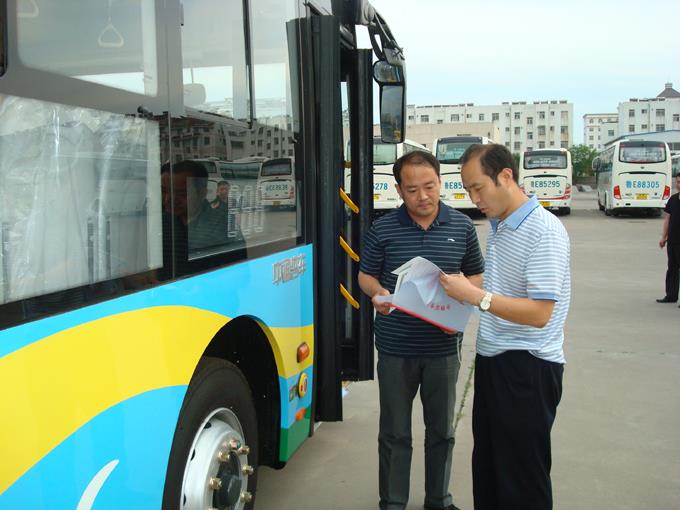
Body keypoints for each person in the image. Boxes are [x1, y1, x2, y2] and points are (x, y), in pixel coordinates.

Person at [438, 144, 570, 510]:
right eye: (467, 190)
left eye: (478, 187)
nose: (474, 198)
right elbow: (503, 290)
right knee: (490, 468)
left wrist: (475, 296)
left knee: (521, 479)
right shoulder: (502, 224)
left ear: (506, 176)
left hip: (527, 366)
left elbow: (540, 313)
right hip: (495, 359)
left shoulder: (543, 230)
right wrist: (458, 300)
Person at [358, 150, 484, 510]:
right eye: (412, 190)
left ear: (441, 182)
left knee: (442, 431)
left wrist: (460, 301)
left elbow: (476, 276)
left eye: (430, 186)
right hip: (396, 347)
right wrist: (377, 293)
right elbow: (366, 275)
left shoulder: (461, 226)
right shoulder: (383, 229)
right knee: (395, 431)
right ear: (399, 190)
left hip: (443, 347)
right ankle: (393, 502)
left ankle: (438, 500)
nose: (423, 196)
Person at [656, 173, 680, 306]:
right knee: (672, 268)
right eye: (678, 182)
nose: (679, 185)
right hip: (672, 240)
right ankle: (671, 295)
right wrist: (664, 237)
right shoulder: (673, 199)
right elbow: (667, 219)